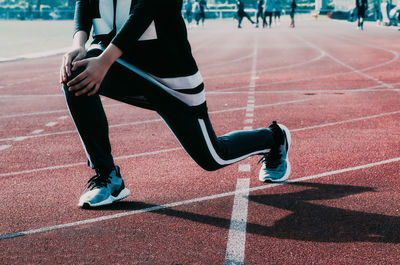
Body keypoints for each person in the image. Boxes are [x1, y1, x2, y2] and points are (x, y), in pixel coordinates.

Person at [60, 0, 291, 208]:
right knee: (75, 76)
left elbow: (146, 10)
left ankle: (274, 138)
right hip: (119, 64)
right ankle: (108, 176)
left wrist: (104, 61)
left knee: (212, 157)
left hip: (169, 74)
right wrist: (78, 44)